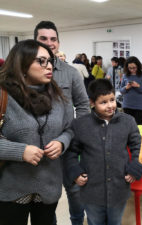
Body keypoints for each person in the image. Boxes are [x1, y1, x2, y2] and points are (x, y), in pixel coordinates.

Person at [0, 39, 73, 225]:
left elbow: (70, 129)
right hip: (12, 187)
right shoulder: (4, 95)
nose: (49, 66)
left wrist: (62, 142)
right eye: (41, 61)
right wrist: (20, 151)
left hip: (49, 185)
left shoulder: (59, 96)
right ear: (22, 64)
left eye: (50, 61)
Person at [64, 79, 142, 225]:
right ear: (92, 102)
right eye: (103, 102)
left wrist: (134, 166)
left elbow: (138, 145)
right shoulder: (80, 124)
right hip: (92, 190)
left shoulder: (128, 121)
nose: (110, 106)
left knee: (115, 221)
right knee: (95, 221)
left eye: (112, 100)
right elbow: (71, 152)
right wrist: (75, 172)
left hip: (119, 188)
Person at [34, 20, 90, 225]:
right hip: (38, 149)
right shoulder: (25, 72)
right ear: (35, 41)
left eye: (53, 39)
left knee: (75, 191)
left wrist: (75, 134)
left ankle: (77, 221)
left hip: (69, 146)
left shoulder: (71, 73)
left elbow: (84, 106)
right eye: (43, 39)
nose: (49, 43)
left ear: (58, 42)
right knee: (46, 198)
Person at [120, 56, 142, 125]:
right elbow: (121, 91)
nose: (132, 69)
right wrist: (126, 88)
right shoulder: (125, 75)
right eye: (130, 68)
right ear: (127, 67)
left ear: (138, 66)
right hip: (127, 105)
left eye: (134, 68)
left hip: (139, 106)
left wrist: (138, 86)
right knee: (127, 126)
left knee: (137, 127)